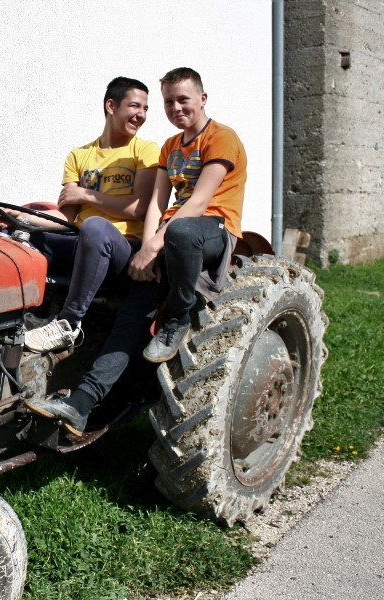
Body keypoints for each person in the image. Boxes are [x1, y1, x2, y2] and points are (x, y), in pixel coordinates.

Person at [25, 67, 247, 436]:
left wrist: (155, 242)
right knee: (130, 319)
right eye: (169, 102)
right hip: (171, 238)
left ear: (202, 99)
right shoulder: (171, 147)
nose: (176, 108)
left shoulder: (222, 137)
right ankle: (80, 404)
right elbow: (158, 206)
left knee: (183, 230)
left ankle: (178, 313)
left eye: (183, 100)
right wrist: (146, 251)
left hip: (211, 230)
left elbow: (200, 201)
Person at [0, 76, 159, 353]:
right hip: (82, 243)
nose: (141, 115)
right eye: (135, 106)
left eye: (145, 109)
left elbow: (140, 208)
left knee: (96, 227)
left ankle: (68, 324)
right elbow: (66, 219)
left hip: (122, 251)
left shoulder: (144, 150)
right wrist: (19, 218)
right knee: (8, 239)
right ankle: (5, 318)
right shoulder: (79, 155)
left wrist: (85, 195)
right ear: (111, 105)